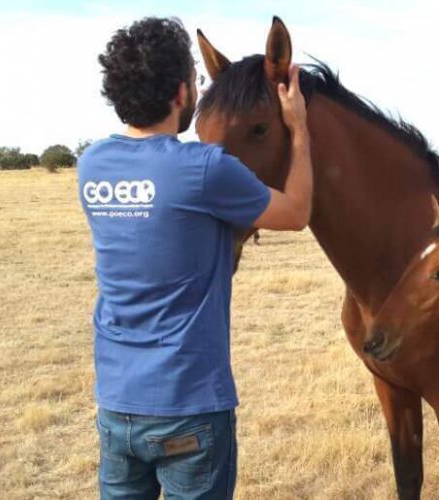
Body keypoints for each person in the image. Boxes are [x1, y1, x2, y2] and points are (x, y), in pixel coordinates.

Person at [78, 17, 312, 499]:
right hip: (189, 406)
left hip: (117, 405)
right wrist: (299, 128)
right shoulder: (202, 169)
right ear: (183, 92)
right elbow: (295, 213)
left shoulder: (91, 165)